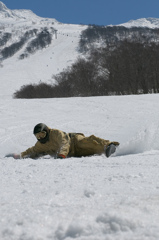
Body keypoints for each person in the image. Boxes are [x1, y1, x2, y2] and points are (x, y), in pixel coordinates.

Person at [9, 123, 120, 159]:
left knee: (87, 143)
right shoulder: (41, 144)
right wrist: (20, 155)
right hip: (74, 154)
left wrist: (62, 154)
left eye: (42, 134)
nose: (40, 138)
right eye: (37, 136)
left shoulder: (56, 133)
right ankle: (105, 150)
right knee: (93, 152)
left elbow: (64, 143)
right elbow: (32, 150)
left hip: (74, 141)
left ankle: (108, 146)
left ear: (47, 131)